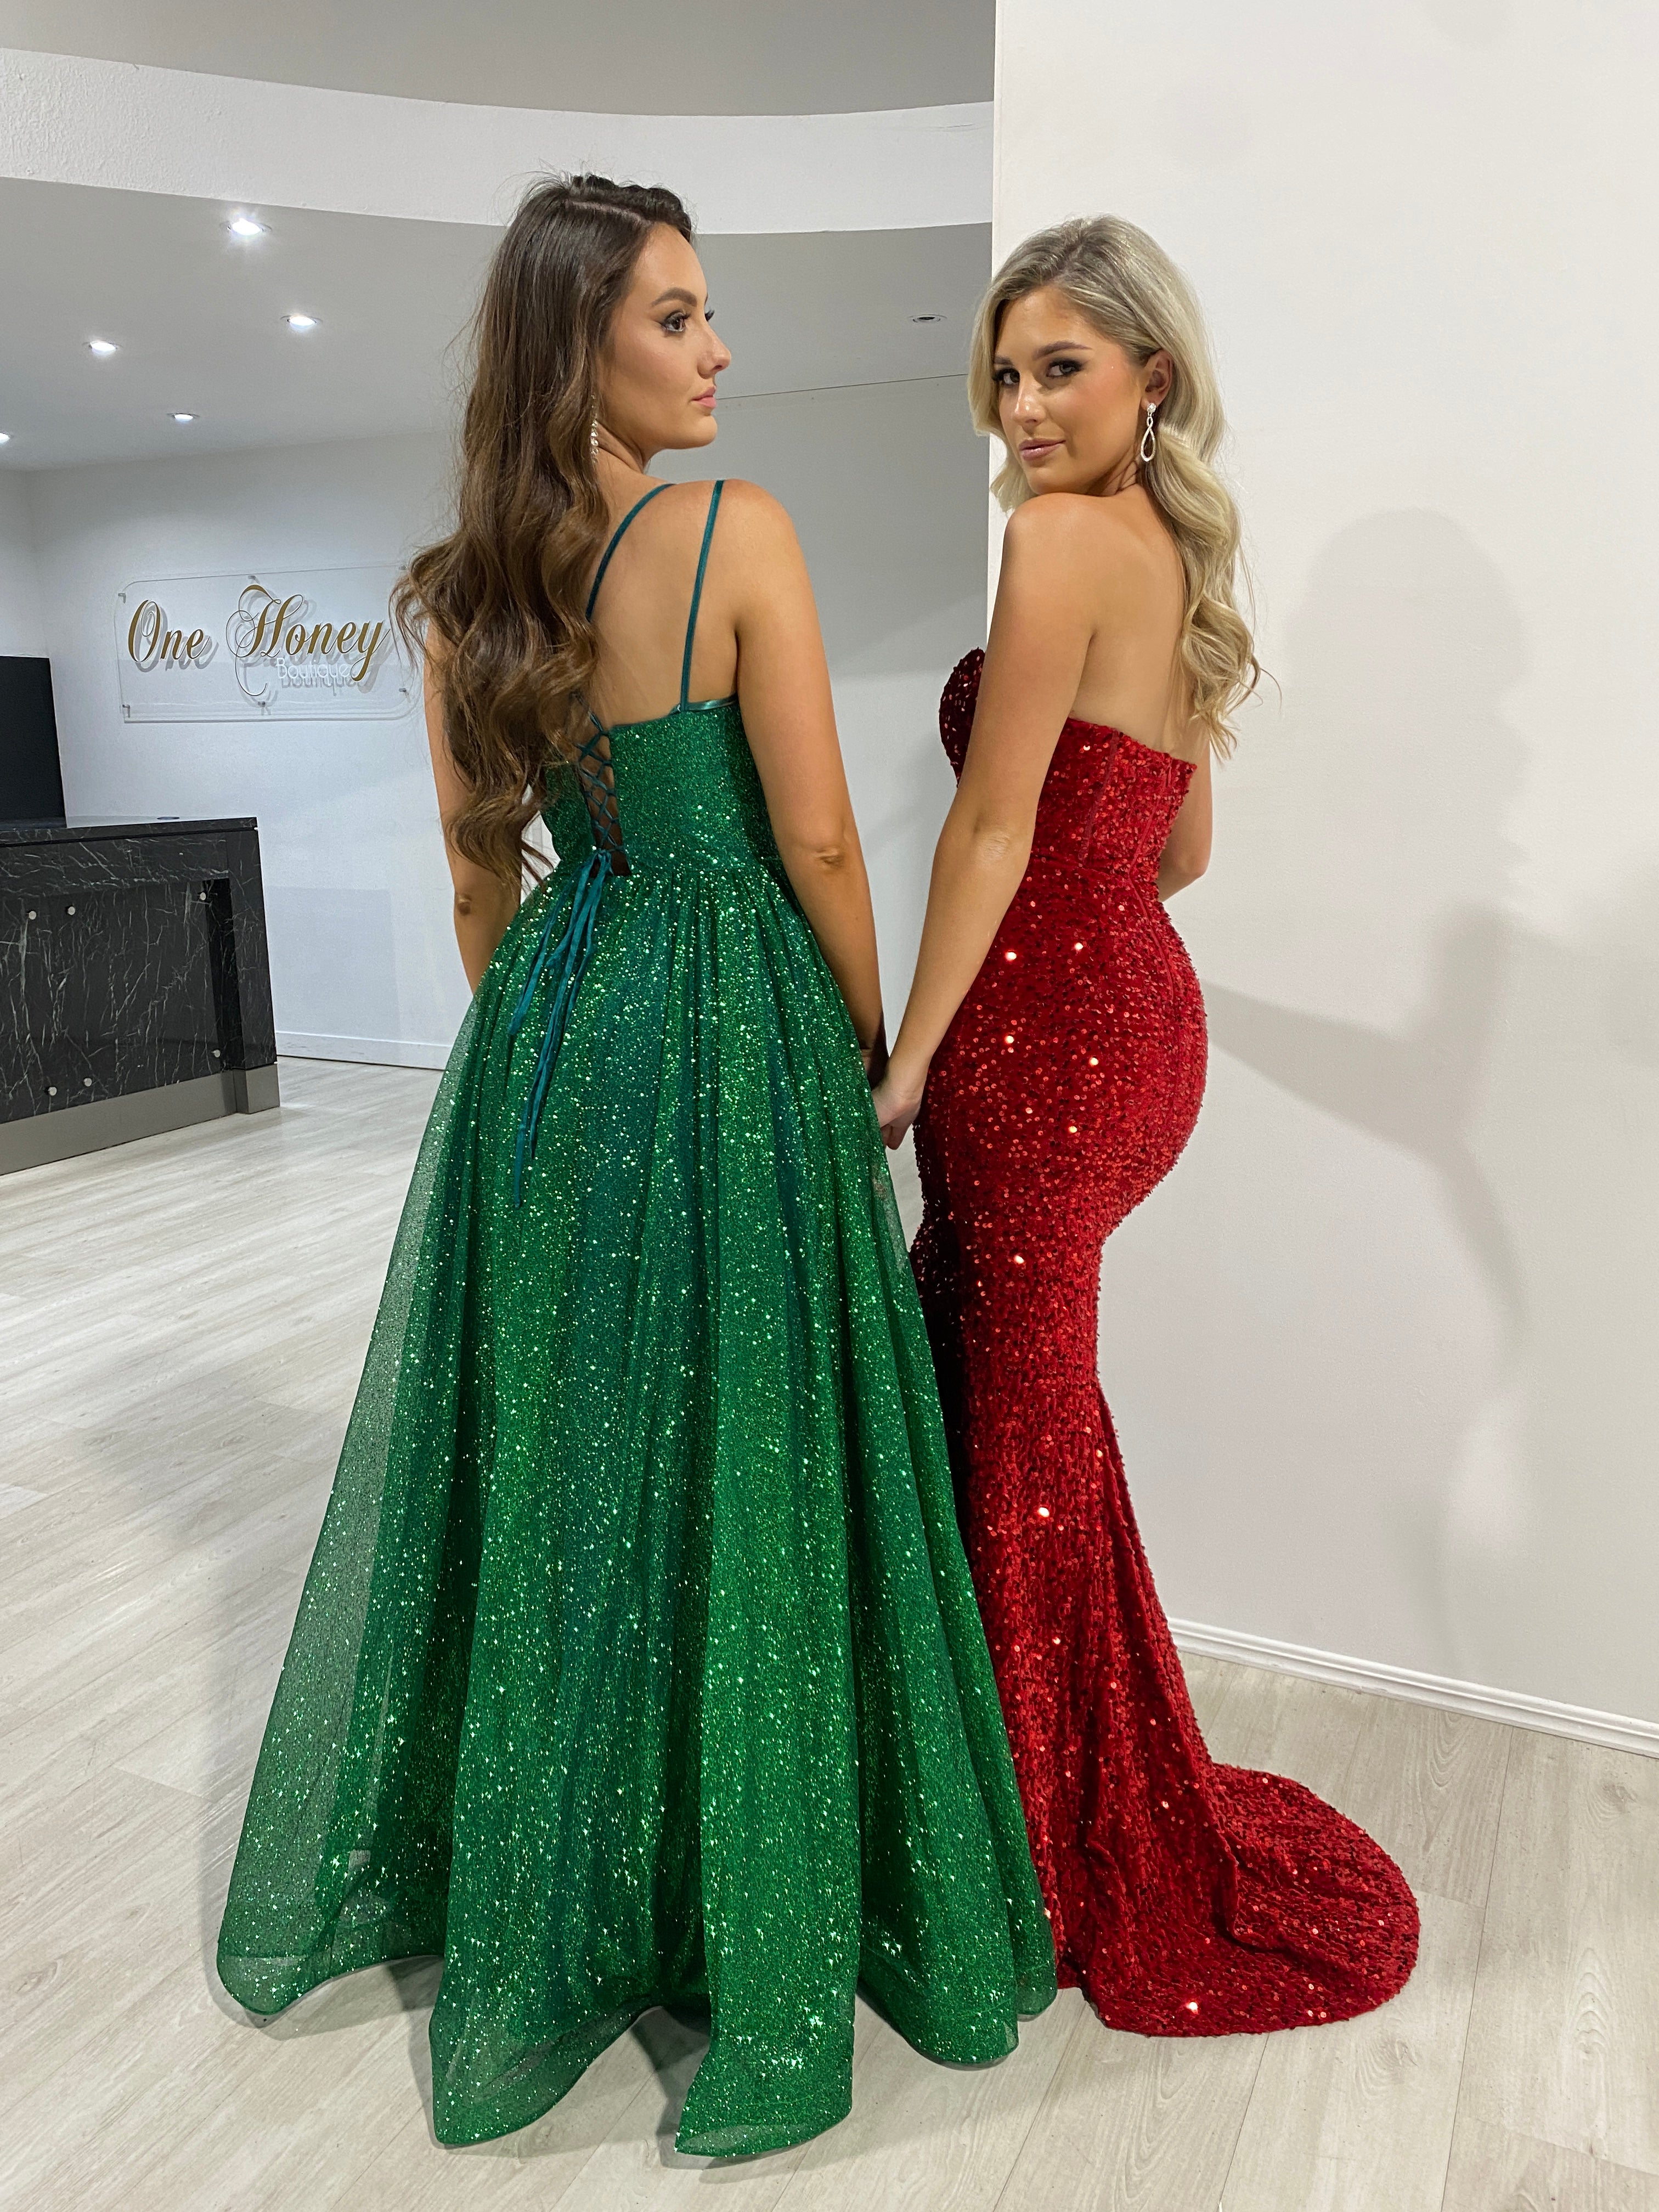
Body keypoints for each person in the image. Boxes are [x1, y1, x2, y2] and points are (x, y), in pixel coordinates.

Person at [216, 174, 1054, 2157]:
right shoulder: (730, 535)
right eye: (678, 317)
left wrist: (544, 1073)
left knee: (587, 1469)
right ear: (577, 339)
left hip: (565, 1039)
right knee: (749, 1454)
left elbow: (473, 879)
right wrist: (868, 1041)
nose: (718, 351)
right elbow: (826, 841)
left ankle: (554, 1918)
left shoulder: (453, 594)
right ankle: (751, 1948)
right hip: (738, 1018)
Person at [872, 216, 1419, 2034]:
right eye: (1009, 376)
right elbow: (1178, 851)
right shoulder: (1178, 553)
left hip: (1034, 1050)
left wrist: (903, 1061)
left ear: (1149, 379)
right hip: (1134, 1037)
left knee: (1011, 1431)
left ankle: (1020, 1860)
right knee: (1025, 1424)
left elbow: (990, 832)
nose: (1025, 409)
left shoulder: (1056, 542)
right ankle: (1005, 1798)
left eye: (1063, 371)